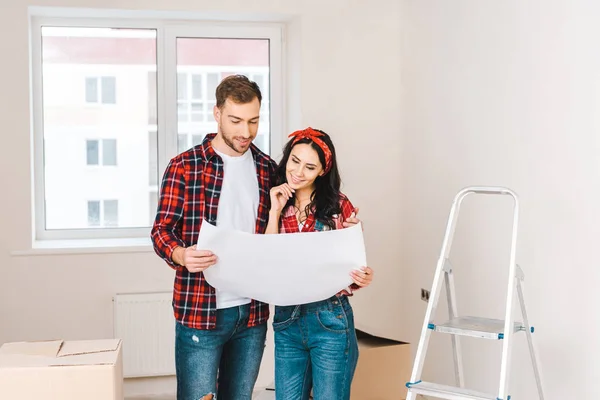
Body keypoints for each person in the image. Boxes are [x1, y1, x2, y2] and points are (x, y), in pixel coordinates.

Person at [151, 75, 277, 400]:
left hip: (252, 313)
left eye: (253, 121)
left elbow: (286, 230)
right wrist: (181, 254)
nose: (245, 132)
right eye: (235, 120)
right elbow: (161, 232)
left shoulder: (267, 168)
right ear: (217, 114)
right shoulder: (184, 166)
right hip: (200, 311)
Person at [266, 127, 374, 400]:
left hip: (329, 317)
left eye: (310, 167)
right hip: (287, 318)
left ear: (322, 171)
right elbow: (267, 258)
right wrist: (275, 211)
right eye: (294, 161)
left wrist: (362, 275)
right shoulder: (277, 201)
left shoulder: (339, 206)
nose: (299, 172)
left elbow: (353, 267)